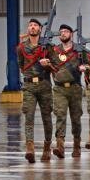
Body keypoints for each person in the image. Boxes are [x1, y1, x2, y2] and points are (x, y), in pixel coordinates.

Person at [45, 24, 85, 158]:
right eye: (61, 31)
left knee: (76, 118)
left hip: (75, 88)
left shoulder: (79, 50)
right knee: (60, 115)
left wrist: (85, 67)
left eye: (66, 31)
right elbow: (43, 57)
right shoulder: (54, 50)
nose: (63, 33)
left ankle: (76, 146)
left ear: (71, 34)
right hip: (59, 88)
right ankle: (60, 146)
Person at [16, 19, 53, 163]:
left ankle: (47, 148)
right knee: (29, 116)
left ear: (40, 29)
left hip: (44, 85)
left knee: (46, 117)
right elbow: (21, 65)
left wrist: (47, 64)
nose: (32, 27)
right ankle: (29, 148)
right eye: (30, 25)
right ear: (28, 29)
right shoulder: (21, 48)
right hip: (29, 86)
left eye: (35, 25)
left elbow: (55, 66)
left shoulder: (47, 47)